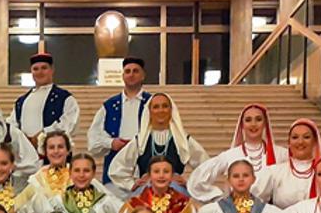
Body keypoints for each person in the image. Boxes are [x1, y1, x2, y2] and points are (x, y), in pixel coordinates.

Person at [106, 91, 204, 197]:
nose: (161, 110)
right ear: (149, 111)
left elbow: (205, 165)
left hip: (176, 192)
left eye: (165, 106)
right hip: (146, 191)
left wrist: (189, 182)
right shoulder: (140, 140)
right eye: (156, 107)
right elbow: (117, 168)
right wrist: (131, 184)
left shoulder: (183, 139)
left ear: (171, 110)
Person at [189, 103, 287, 200]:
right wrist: (220, 197)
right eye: (248, 120)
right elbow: (197, 181)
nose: (253, 124)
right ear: (242, 125)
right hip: (235, 208)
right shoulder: (230, 155)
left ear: (265, 123)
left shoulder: (281, 154)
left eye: (258, 119)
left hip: (269, 208)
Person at [87, 55, 152, 187]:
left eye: (135, 71)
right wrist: (111, 143)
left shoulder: (153, 103)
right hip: (115, 169)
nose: (131, 74)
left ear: (143, 75)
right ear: (123, 76)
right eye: (127, 71)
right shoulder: (109, 106)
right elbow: (93, 138)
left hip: (147, 170)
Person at [253, 119, 321, 208]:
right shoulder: (275, 172)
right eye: (295, 137)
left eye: (306, 137)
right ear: (288, 142)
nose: (300, 142)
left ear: (315, 142)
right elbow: (252, 201)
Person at [53, 152, 119, 213]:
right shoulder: (59, 201)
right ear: (70, 173)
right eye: (77, 170)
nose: (81, 175)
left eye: (86, 171)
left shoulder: (105, 201)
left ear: (93, 173)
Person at [14, 52, 77, 143]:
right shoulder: (21, 101)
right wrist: (22, 138)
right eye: (35, 69)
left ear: (52, 70)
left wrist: (43, 135)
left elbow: (70, 122)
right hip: (25, 149)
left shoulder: (64, 98)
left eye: (44, 68)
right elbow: (13, 124)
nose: (40, 72)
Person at [27, 130, 74, 202]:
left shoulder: (79, 173)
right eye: (51, 147)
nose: (56, 151)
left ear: (68, 151)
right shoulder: (37, 179)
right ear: (45, 152)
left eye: (60, 147)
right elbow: (20, 203)